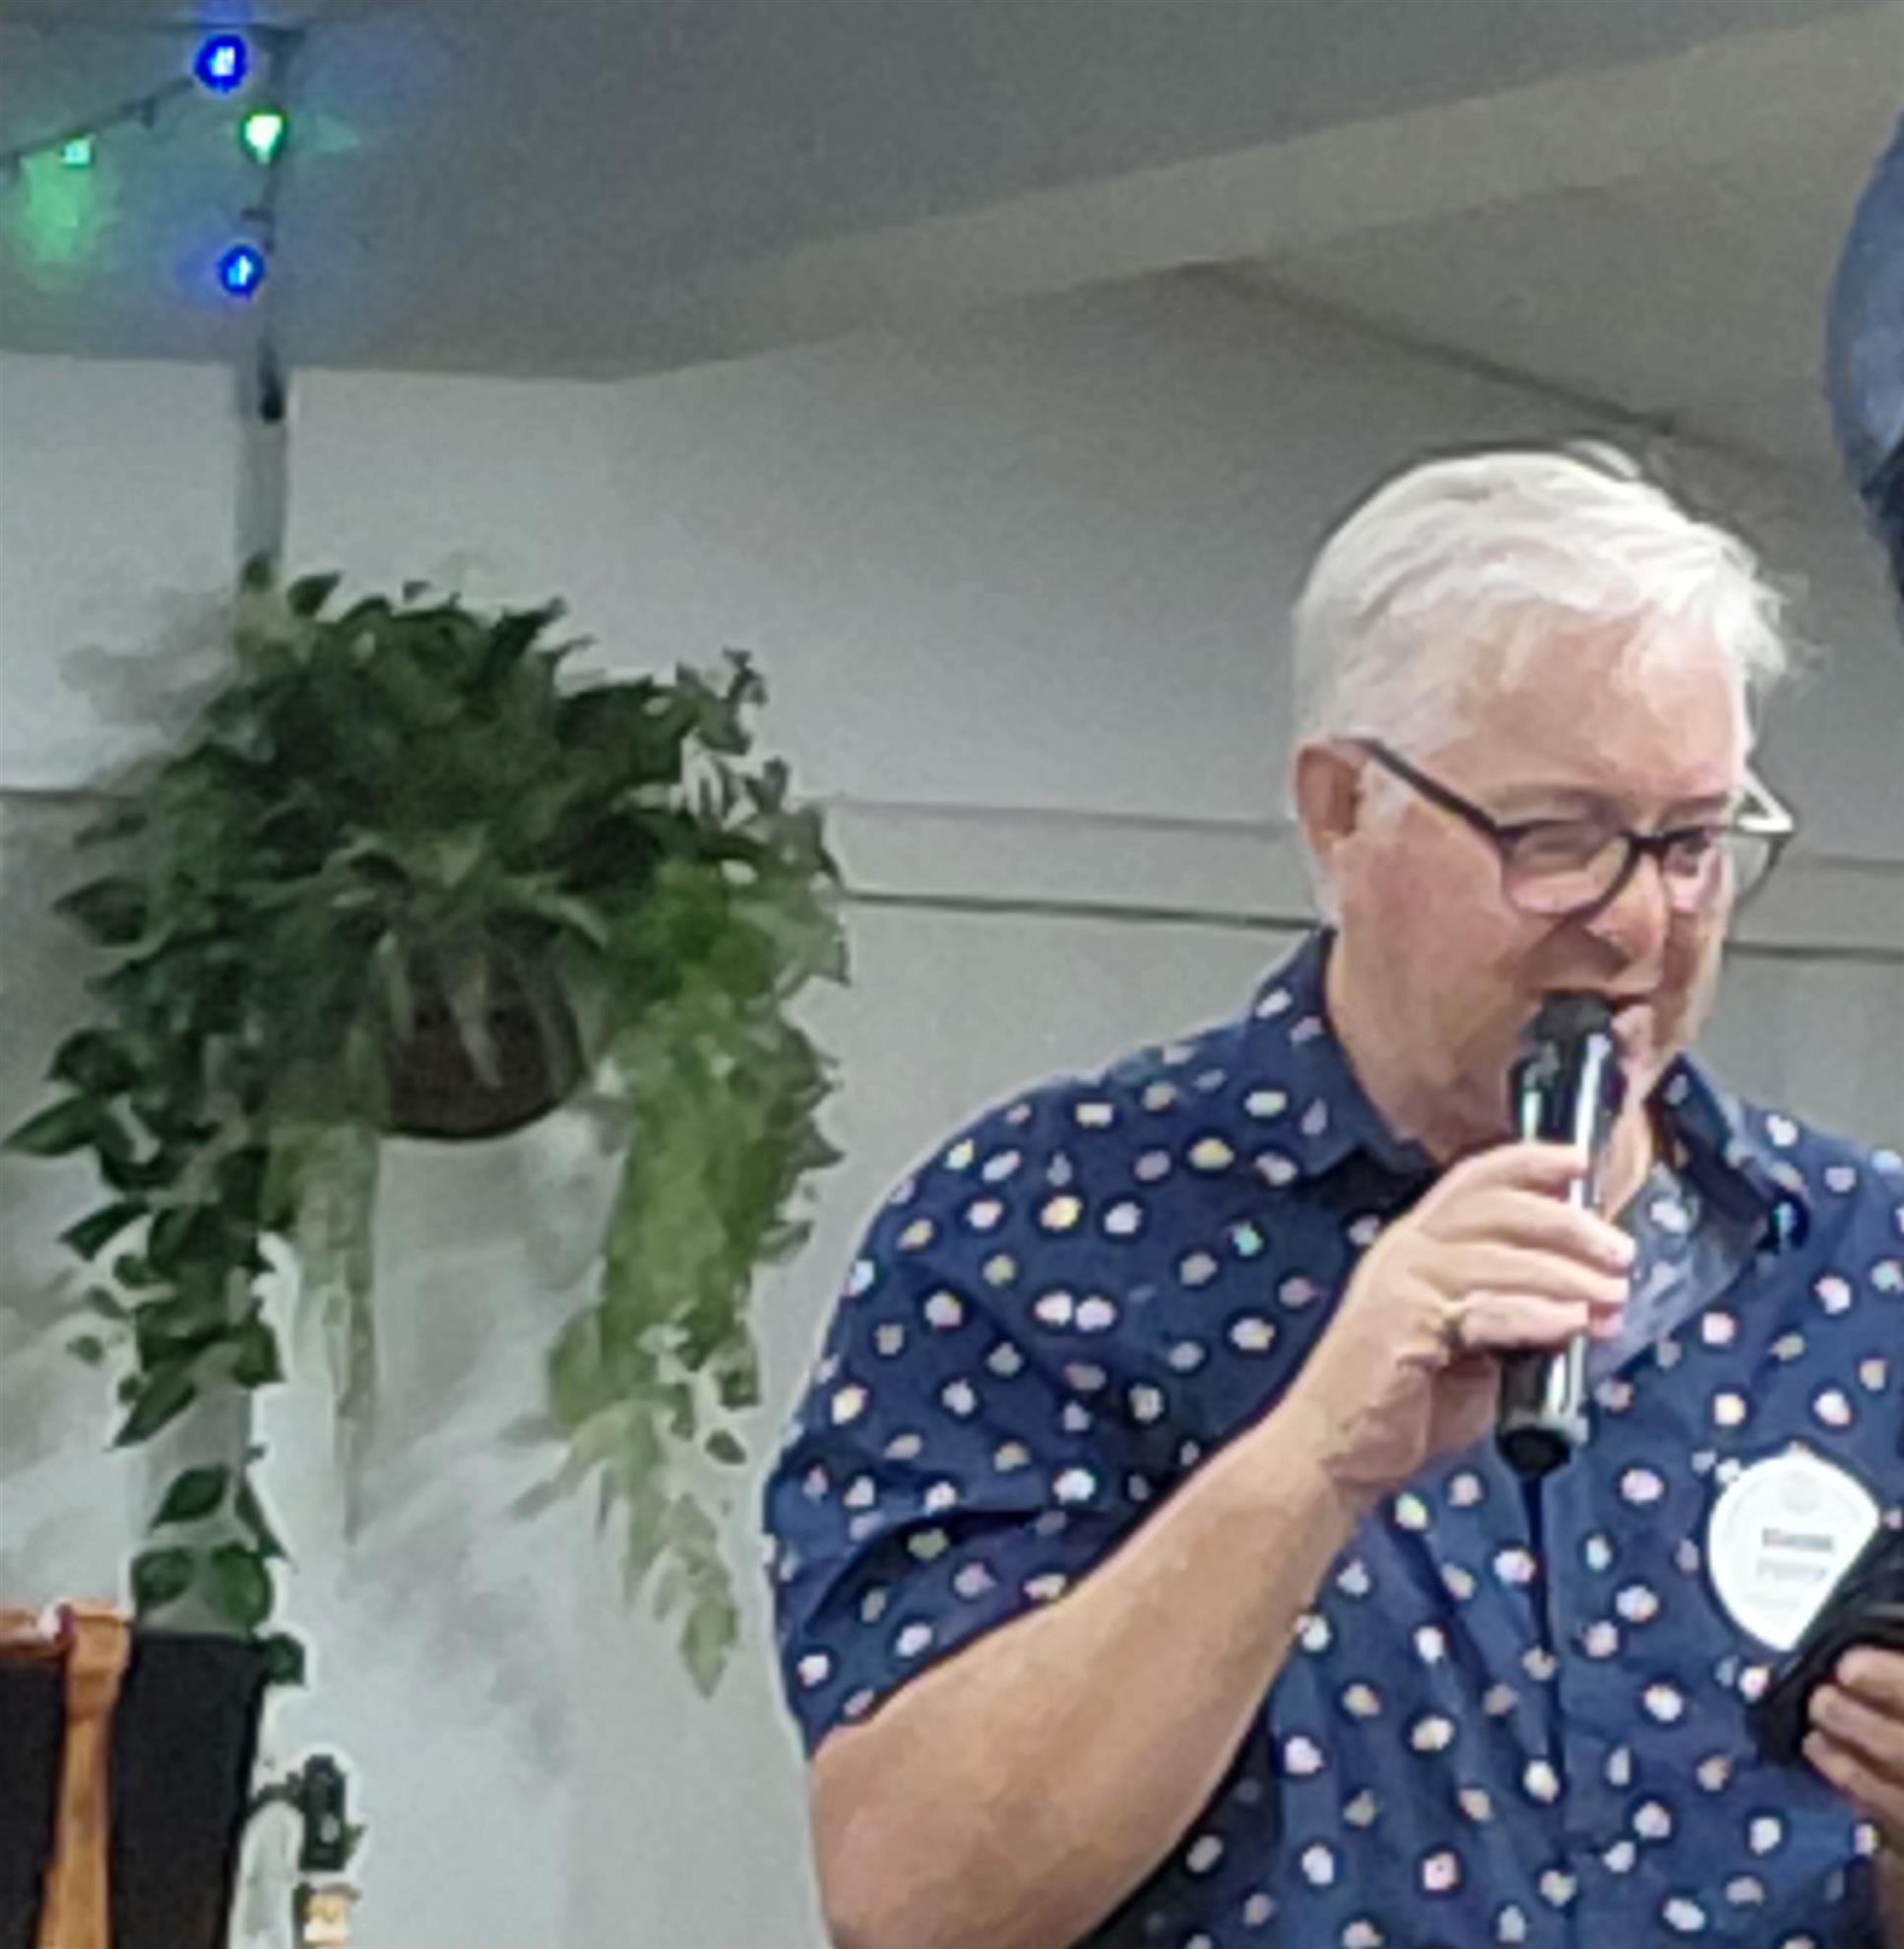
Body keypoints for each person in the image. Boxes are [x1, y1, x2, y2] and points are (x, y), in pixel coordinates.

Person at [762, 446, 1904, 1948]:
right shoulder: (1039, 1232)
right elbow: (914, 1903)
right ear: (1340, 811)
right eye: (1554, 840)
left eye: (1690, 846)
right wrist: (1311, 1461)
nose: (1636, 921)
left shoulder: (1863, 1264)